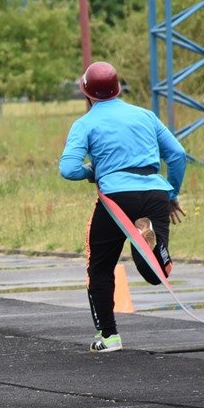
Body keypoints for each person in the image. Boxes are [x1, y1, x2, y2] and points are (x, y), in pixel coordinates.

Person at [59, 61, 187, 354]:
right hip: (154, 192)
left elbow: (68, 169)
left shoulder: (86, 123)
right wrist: (172, 194)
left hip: (116, 198)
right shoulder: (145, 115)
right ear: (118, 88)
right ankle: (154, 246)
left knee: (100, 268)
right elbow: (178, 154)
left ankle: (109, 336)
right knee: (155, 273)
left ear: (86, 93)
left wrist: (93, 172)